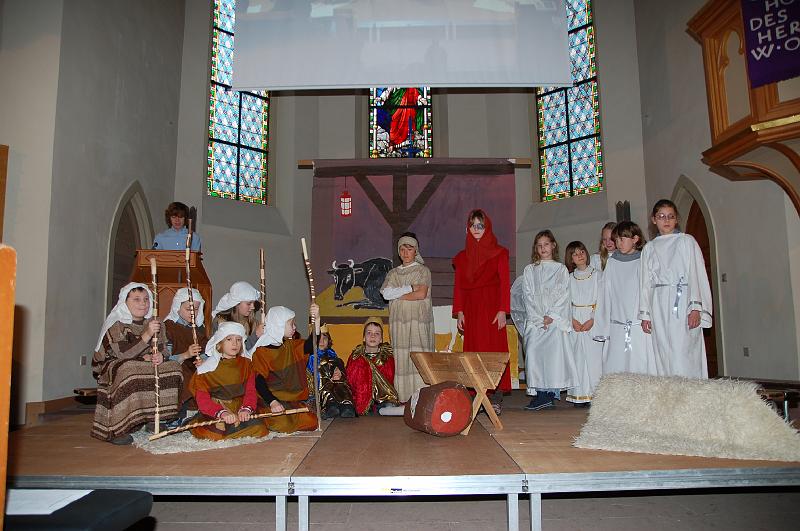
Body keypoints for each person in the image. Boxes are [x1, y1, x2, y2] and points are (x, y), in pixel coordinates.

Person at [91, 283, 183, 445]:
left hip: (143, 363)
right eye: (136, 299)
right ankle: (118, 428)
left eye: (146, 299)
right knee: (130, 369)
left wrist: (161, 356)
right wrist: (147, 334)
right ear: (124, 302)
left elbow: (164, 349)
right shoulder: (117, 324)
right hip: (115, 365)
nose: (143, 303)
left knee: (174, 368)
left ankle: (155, 418)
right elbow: (123, 355)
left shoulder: (156, 323)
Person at [639, 199, 713, 378]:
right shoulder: (649, 248)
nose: (666, 220)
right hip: (659, 305)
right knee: (663, 350)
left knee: (684, 350)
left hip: (683, 302)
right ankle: (668, 391)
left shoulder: (687, 241)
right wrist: (645, 314)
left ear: (676, 219)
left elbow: (696, 273)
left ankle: (690, 390)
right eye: (661, 216)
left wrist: (695, 307)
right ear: (654, 219)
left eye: (670, 216)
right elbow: (645, 283)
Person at [452, 209, 510, 414]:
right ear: (467, 228)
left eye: (480, 225)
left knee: (493, 351)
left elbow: (504, 282)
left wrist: (503, 310)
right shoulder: (461, 257)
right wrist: (460, 311)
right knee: (473, 351)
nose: (476, 229)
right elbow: (459, 287)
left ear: (487, 227)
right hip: (471, 309)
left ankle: (495, 397)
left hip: (492, 307)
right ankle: (476, 395)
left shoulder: (500, 252)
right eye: (472, 225)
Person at [511, 230, 576, 411]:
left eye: (546, 244)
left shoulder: (560, 269)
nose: (543, 248)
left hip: (554, 321)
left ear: (553, 245)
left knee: (552, 359)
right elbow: (528, 296)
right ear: (536, 249)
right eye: (539, 245)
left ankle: (548, 395)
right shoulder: (530, 270)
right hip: (536, 321)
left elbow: (563, 295)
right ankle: (540, 394)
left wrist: (551, 316)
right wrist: (538, 318)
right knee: (534, 356)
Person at [593, 221, 657, 376]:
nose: (618, 243)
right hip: (617, 325)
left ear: (635, 239)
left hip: (639, 324)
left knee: (640, 366)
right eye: (616, 240)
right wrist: (603, 325)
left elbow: (648, 290)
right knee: (616, 368)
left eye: (622, 239)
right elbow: (605, 295)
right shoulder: (612, 262)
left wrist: (648, 316)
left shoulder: (643, 260)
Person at [188, 322, 269, 440]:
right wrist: (222, 413)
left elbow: (250, 391)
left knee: (260, 429)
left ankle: (235, 428)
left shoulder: (247, 365)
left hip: (240, 408)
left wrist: (246, 409)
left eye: (238, 340)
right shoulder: (205, 369)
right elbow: (203, 400)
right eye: (229, 339)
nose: (234, 344)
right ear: (220, 342)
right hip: (216, 409)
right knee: (214, 434)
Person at [247, 305, 319, 433]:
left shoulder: (291, 346)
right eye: (291, 324)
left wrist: (317, 319)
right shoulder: (261, 352)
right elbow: (259, 381)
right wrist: (272, 402)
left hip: (291, 399)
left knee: (312, 422)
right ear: (279, 326)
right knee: (283, 424)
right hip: (270, 399)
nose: (295, 327)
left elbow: (311, 345)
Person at [380, 234, 434, 402]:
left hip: (418, 322)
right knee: (402, 359)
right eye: (402, 249)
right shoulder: (393, 273)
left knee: (419, 359)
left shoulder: (422, 271)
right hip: (399, 324)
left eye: (409, 249)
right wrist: (410, 287)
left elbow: (421, 294)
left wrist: (398, 295)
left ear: (415, 251)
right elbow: (386, 293)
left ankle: (423, 399)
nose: (405, 252)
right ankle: (404, 400)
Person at [564, 241, 604, 407]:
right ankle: (578, 395)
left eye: (581, 251)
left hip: (592, 319)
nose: (579, 255)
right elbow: (565, 302)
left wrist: (593, 319)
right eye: (575, 254)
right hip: (575, 319)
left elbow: (602, 299)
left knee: (594, 359)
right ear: (571, 259)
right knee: (577, 358)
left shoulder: (597, 275)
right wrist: (572, 319)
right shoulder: (569, 278)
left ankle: (596, 395)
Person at [163, 287, 208, 427]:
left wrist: (204, 359)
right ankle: (176, 415)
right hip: (177, 364)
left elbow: (207, 350)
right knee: (182, 375)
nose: (193, 313)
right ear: (178, 307)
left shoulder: (199, 329)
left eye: (196, 309)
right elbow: (165, 357)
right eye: (188, 309)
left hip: (195, 366)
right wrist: (186, 355)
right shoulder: (168, 327)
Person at [346, 317, 400, 416]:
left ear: (381, 339)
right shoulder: (356, 357)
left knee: (389, 407)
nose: (373, 336)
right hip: (361, 397)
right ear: (364, 338)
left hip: (384, 398)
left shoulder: (386, 358)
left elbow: (390, 379)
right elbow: (350, 379)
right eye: (369, 333)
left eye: (377, 334)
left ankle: (385, 410)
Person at [305, 324, 356, 419]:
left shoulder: (331, 354)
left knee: (343, 388)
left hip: (335, 383)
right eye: (318, 338)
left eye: (325, 338)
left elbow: (338, 365)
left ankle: (347, 406)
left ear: (329, 340)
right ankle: (331, 406)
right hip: (320, 386)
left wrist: (339, 371)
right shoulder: (310, 356)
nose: (321, 341)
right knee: (327, 391)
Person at [211, 281, 264, 352]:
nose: (253, 307)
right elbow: (232, 350)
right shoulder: (221, 322)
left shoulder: (253, 322)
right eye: (248, 304)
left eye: (254, 303)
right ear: (236, 303)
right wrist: (256, 335)